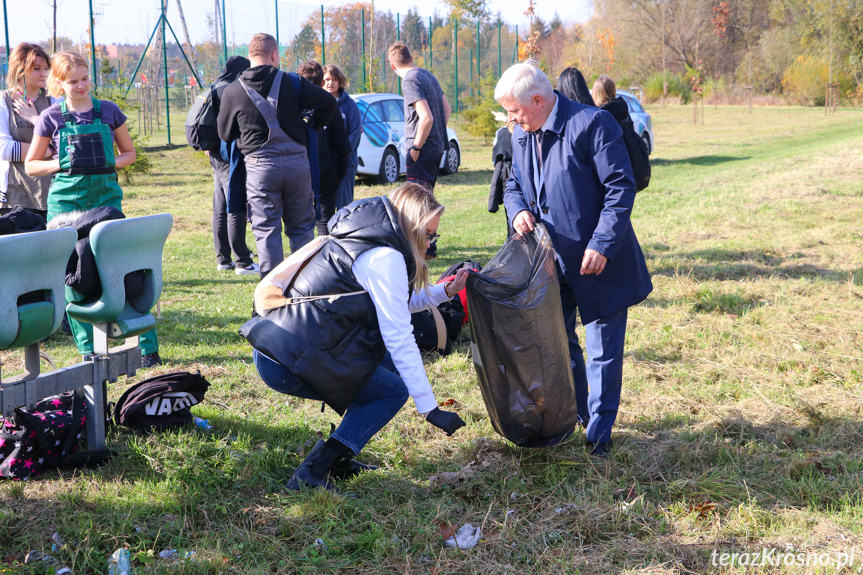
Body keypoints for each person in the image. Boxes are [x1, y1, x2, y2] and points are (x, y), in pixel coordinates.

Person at [246, 182, 468, 491]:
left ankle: (341, 459)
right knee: (392, 391)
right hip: (287, 360)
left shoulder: (367, 237)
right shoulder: (384, 258)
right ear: (411, 227)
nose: (430, 245)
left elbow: (394, 301)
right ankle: (314, 471)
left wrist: (444, 291)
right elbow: (399, 333)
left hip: (284, 346)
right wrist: (430, 408)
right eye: (428, 235)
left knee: (386, 365)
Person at [495, 60, 652, 458]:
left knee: (603, 350)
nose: (511, 120)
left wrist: (601, 243)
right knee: (561, 346)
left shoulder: (592, 124)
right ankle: (580, 416)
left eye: (514, 111)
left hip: (598, 260)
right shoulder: (521, 134)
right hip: (550, 263)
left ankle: (599, 435)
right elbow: (513, 184)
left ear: (537, 99)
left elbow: (620, 188)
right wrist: (517, 211)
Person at [25, 52, 163, 368]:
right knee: (74, 275)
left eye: (85, 78)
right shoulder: (51, 117)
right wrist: (60, 162)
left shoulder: (109, 112)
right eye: (73, 81)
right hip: (66, 207)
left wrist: (108, 161)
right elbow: (32, 165)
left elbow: (129, 153)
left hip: (106, 204)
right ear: (58, 83)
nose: (81, 85)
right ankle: (88, 349)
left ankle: (146, 349)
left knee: (124, 270)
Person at [217, 33, 337, 276]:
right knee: (302, 228)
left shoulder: (233, 91)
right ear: (274, 55)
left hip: (260, 170)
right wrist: (312, 123)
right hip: (297, 167)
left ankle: (272, 292)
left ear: (250, 56)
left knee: (266, 229)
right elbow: (328, 102)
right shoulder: (293, 82)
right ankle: (304, 285)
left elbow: (224, 133)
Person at [209, 56, 258, 275]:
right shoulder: (230, 90)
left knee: (220, 209)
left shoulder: (215, 87)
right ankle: (243, 262)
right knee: (235, 207)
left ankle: (223, 259)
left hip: (216, 157)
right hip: (230, 156)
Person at [0, 42, 55, 220]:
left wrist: (36, 120)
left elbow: (67, 142)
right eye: (37, 68)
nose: (44, 73)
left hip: (52, 193)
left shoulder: (55, 100)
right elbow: (4, 149)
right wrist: (49, 150)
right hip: (14, 195)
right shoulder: (3, 100)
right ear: (20, 70)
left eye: (46, 68)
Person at [387, 41, 451, 192]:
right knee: (426, 199)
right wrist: (436, 134)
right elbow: (447, 108)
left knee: (417, 203)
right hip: (436, 146)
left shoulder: (410, 80)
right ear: (410, 57)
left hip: (422, 150)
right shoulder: (428, 75)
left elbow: (427, 117)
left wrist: (416, 147)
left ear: (392, 65)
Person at [297, 60, 350, 237]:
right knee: (324, 224)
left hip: (299, 174)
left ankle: (304, 260)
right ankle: (323, 260)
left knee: (300, 227)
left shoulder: (291, 105)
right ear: (321, 83)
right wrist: (339, 172)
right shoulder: (329, 105)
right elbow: (342, 145)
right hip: (325, 175)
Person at [592, 75, 651, 192]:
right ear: (613, 90)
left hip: (610, 171)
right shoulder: (622, 108)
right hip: (628, 166)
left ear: (596, 93)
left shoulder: (599, 116)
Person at [323, 64, 361, 210]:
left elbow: (355, 133)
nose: (329, 83)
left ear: (340, 82)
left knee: (344, 208)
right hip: (325, 166)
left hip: (346, 165)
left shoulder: (350, 105)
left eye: (333, 79)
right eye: (326, 79)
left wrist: (342, 155)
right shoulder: (319, 103)